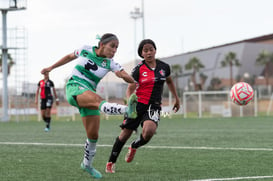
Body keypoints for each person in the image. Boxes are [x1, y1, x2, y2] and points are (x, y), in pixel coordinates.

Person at [40, 33, 137, 179]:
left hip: (88, 94)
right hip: (74, 87)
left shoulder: (111, 63)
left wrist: (133, 81)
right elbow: (69, 57)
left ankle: (87, 164)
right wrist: (51, 67)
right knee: (98, 101)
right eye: (112, 46)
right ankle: (127, 110)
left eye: (117, 47)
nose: (115, 50)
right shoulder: (85, 49)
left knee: (93, 135)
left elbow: (123, 74)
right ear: (102, 45)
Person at [105, 39, 181, 173]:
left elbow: (169, 81)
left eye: (151, 49)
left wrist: (176, 98)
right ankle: (111, 162)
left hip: (154, 105)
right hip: (138, 105)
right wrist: (130, 103)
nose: (149, 52)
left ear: (155, 50)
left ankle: (135, 145)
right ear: (141, 54)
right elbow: (129, 89)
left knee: (149, 132)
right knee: (125, 135)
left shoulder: (164, 67)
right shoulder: (138, 69)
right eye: (145, 51)